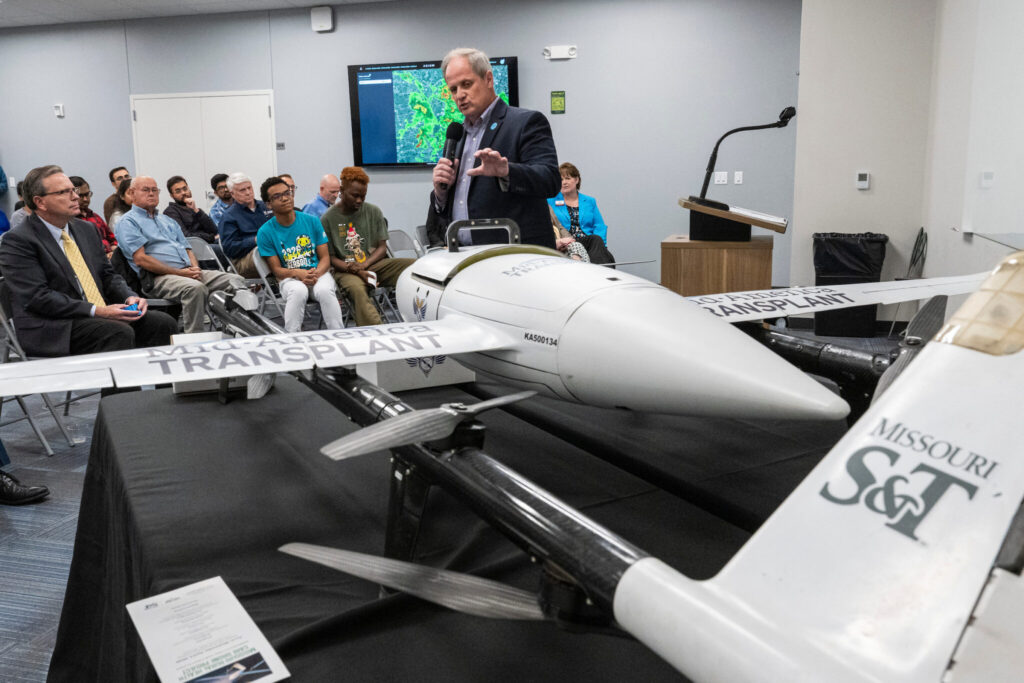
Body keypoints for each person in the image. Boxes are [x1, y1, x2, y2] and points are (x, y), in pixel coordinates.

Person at [0, 165, 176, 358]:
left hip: (97, 316)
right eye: (64, 192)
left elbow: (108, 275)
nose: (75, 196)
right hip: (54, 325)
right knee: (116, 331)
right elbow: (38, 297)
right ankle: (123, 389)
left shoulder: (86, 230)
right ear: (40, 202)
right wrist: (97, 311)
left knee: (162, 322)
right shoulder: (18, 240)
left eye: (73, 190)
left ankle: (162, 389)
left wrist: (129, 297)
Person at [426, 47, 559, 249]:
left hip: (515, 255)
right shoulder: (457, 135)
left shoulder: (525, 122)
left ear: (488, 79)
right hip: (464, 255)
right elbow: (456, 205)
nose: (459, 95)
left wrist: (507, 172)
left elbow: (550, 180)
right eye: (453, 89)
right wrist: (441, 193)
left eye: (466, 84)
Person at [114, 176, 245, 334]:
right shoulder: (128, 222)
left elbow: (188, 249)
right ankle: (193, 341)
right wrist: (181, 273)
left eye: (154, 190)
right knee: (195, 289)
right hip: (157, 278)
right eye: (146, 190)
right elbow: (141, 259)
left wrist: (194, 268)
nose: (151, 194)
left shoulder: (167, 220)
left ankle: (232, 332)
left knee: (236, 281)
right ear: (132, 193)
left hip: (187, 272)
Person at [322, 167, 414, 327]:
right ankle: (377, 333)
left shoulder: (374, 211)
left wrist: (364, 265)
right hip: (345, 270)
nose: (359, 200)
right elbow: (330, 258)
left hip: (372, 264)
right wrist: (356, 270)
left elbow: (381, 248)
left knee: (417, 267)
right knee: (357, 290)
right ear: (342, 191)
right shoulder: (327, 219)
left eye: (363, 196)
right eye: (355, 195)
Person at [256, 177, 344, 333]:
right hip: (289, 278)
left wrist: (315, 273)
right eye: (277, 196)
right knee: (298, 291)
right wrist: (298, 273)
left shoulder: (312, 221)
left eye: (287, 193)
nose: (285, 198)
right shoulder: (265, 232)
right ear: (268, 204)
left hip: (318, 273)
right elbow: (277, 270)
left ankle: (339, 335)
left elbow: (325, 258)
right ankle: (291, 340)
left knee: (324, 290)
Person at [548, 162, 614, 264]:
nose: (564, 182)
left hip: (589, 241)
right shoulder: (550, 202)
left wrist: (602, 246)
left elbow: (599, 226)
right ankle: (599, 272)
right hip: (568, 241)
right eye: (561, 180)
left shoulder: (589, 201)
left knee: (605, 253)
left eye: (568, 178)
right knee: (596, 242)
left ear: (577, 180)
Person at [219, 172, 272, 278]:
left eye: (249, 188)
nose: (248, 192)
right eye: (242, 190)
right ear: (232, 194)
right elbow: (229, 248)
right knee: (266, 251)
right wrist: (255, 240)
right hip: (243, 259)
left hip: (270, 250)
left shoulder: (266, 207)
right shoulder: (229, 216)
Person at [69, 176, 118, 256]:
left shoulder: (95, 217)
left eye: (87, 194)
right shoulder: (70, 221)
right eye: (81, 196)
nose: (85, 199)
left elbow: (112, 238)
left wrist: (113, 251)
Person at [163, 175, 219, 244]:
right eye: (178, 191)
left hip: (207, 243)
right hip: (194, 248)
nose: (183, 192)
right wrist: (211, 237)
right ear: (172, 195)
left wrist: (196, 210)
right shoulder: (170, 212)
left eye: (185, 189)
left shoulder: (194, 209)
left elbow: (214, 230)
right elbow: (186, 237)